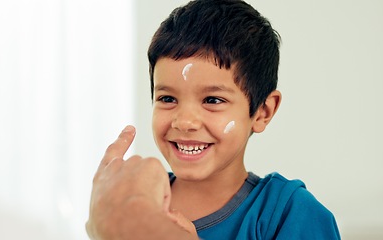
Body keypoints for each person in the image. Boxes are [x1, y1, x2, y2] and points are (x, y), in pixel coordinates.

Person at [87, 0, 341, 239]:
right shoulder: (136, 205)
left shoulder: (290, 214)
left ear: (262, 112)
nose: (184, 121)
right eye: (167, 99)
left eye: (212, 100)